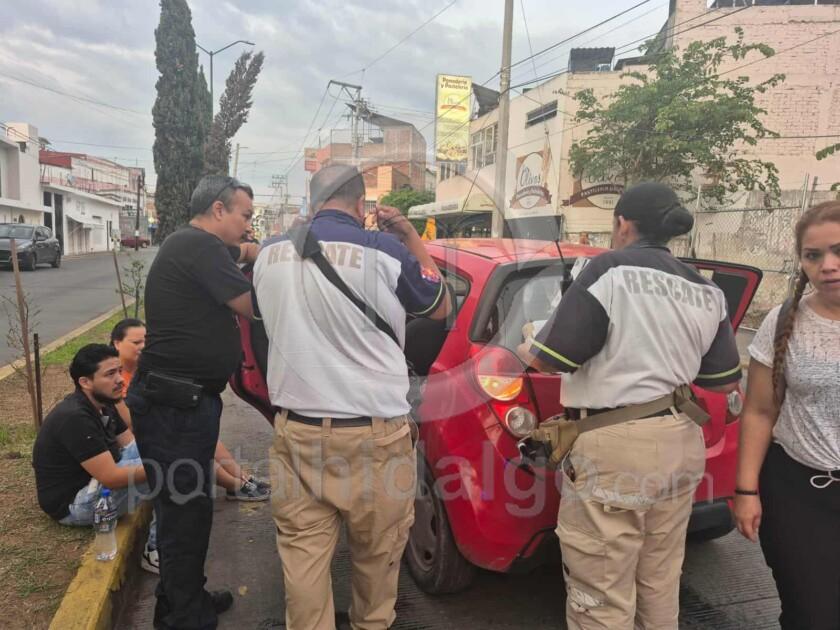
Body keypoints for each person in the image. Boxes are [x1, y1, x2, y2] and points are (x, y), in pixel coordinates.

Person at [517, 182, 741, 629]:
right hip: (681, 442)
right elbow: (722, 379)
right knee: (660, 579)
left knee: (601, 593)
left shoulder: (608, 269)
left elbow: (550, 359)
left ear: (622, 223)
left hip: (616, 448)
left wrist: (529, 339)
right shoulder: (705, 288)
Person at [254, 164, 451, 630]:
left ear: (312, 200)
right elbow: (439, 305)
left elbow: (262, 326)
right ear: (362, 204)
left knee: (303, 560)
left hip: (298, 433)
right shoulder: (385, 251)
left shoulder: (269, 254)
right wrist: (410, 236)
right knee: (377, 558)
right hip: (375, 439)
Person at [126, 174, 259, 629]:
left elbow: (237, 253)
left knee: (185, 508)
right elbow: (253, 307)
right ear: (218, 210)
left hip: (177, 402)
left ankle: (182, 598)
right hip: (175, 406)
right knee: (185, 512)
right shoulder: (200, 247)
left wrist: (251, 251)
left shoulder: (191, 244)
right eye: (244, 215)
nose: (248, 225)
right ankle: (183, 618)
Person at [734, 201, 840, 630]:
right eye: (813, 255)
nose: (827, 265)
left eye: (838, 250)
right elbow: (760, 411)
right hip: (798, 493)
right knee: (812, 615)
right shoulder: (784, 322)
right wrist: (746, 491)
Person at [111, 318, 269, 501]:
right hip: (136, 438)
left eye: (146, 341)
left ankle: (242, 477)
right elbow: (131, 422)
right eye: (136, 342)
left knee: (198, 428)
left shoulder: (148, 368)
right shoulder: (114, 377)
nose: (143, 347)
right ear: (117, 343)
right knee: (187, 442)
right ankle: (236, 484)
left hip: (159, 423)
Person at [32, 344, 157, 571]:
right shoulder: (75, 417)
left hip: (95, 482)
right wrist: (163, 466)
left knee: (166, 452)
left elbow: (133, 445)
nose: (120, 379)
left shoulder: (104, 403)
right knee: (167, 472)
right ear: (85, 382)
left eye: (119, 371)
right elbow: (111, 477)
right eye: (110, 374)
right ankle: (155, 550)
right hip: (74, 504)